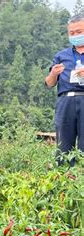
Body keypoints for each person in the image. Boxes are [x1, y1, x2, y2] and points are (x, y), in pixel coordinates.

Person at [45, 14, 84, 165]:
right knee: (63, 145)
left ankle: (80, 181)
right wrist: (53, 73)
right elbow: (49, 83)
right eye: (72, 33)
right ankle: (63, 179)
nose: (75, 35)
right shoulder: (61, 56)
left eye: (79, 31)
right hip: (66, 101)